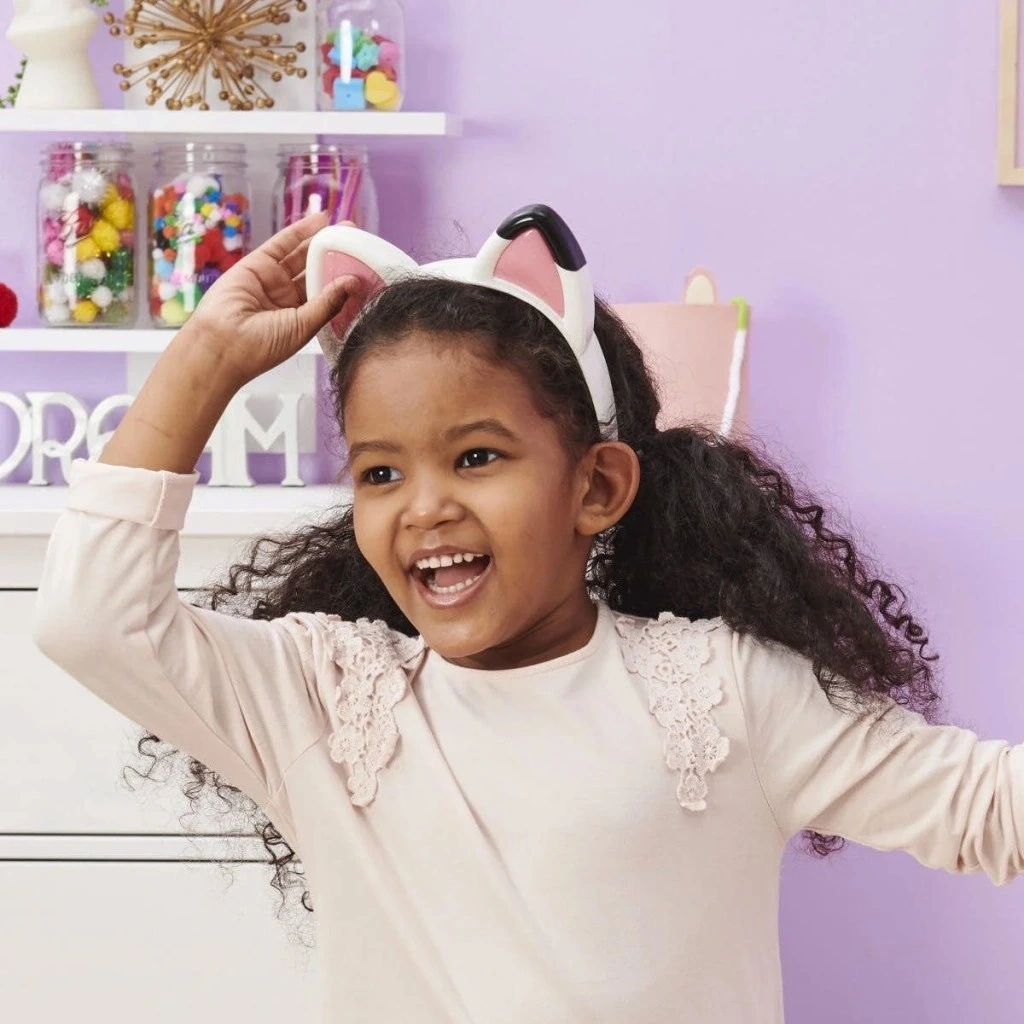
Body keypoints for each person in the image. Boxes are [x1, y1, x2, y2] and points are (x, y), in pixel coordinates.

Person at [32, 205, 1024, 1024]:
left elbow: (987, 806)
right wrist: (205, 361)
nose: (424, 506)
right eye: (381, 472)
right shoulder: (322, 700)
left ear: (596, 487)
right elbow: (92, 618)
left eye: (476, 457)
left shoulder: (722, 691)